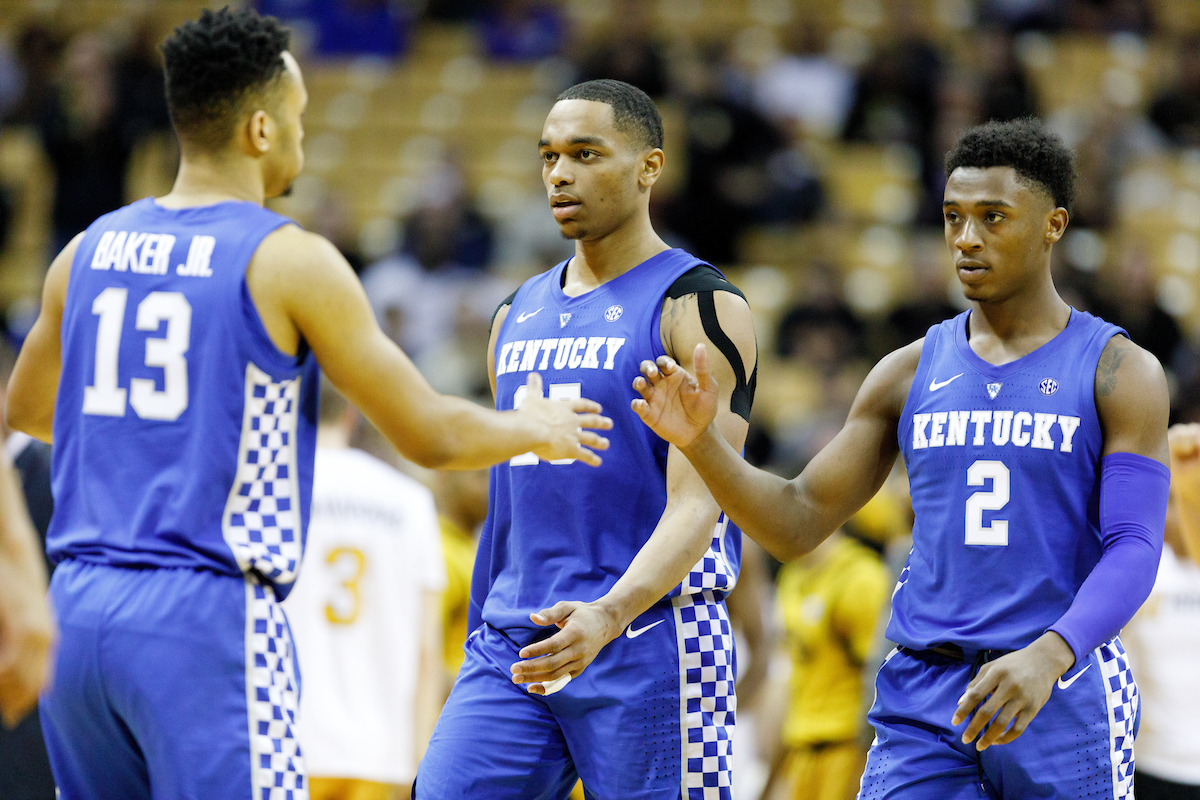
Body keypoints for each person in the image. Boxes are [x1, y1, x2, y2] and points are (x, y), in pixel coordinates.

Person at [3, 9, 611, 799]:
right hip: (203, 612)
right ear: (260, 128)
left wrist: (154, 437)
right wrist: (535, 426)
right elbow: (426, 433)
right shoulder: (288, 259)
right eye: (297, 119)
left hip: (80, 608)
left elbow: (28, 411)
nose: (302, 137)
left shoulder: (84, 250)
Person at [632, 118, 1171, 799]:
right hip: (925, 694)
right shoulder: (906, 373)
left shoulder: (1121, 371)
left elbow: (1134, 547)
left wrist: (1052, 654)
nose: (966, 239)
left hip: (1057, 683)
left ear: (1053, 225)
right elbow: (795, 523)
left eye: (992, 218)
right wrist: (700, 443)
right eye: (953, 218)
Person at [415, 79, 758, 799]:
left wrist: (609, 612)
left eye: (584, 153)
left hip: (649, 637)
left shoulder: (698, 304)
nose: (560, 174)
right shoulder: (514, 313)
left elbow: (701, 507)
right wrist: (485, 623)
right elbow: (507, 502)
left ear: (649, 168)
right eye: (547, 157)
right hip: (519, 640)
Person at [283, 380, 444, 800]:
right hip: (381, 751)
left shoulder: (270, 493)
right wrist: (420, 765)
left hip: (285, 744)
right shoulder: (411, 501)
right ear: (350, 416)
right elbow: (427, 650)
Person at [768, 524, 890, 800]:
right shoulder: (790, 576)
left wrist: (867, 762)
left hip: (846, 750)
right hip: (800, 753)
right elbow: (794, 681)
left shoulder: (861, 579)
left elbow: (882, 681)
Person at [1122, 424, 1200, 800]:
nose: (1175, 513)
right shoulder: (1141, 574)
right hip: (1150, 765)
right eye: (1168, 501)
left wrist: (1189, 482)